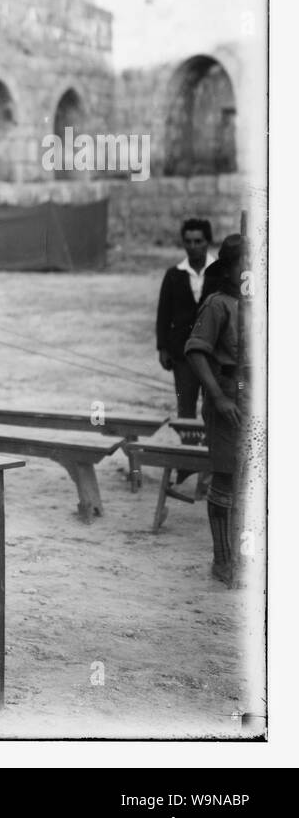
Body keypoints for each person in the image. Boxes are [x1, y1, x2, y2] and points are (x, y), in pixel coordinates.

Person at [184, 234, 250, 587]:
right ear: (228, 269)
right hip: (227, 395)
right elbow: (195, 352)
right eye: (245, 263)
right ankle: (223, 561)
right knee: (226, 480)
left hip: (254, 395)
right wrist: (220, 399)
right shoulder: (218, 305)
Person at [157, 218, 215, 419]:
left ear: (208, 242)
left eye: (198, 241)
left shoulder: (220, 272)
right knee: (185, 407)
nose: (193, 247)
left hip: (213, 353)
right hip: (182, 355)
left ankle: (210, 449)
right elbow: (163, 314)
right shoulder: (174, 275)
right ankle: (187, 449)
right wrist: (163, 348)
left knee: (214, 407)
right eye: (188, 242)